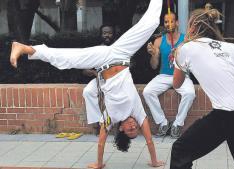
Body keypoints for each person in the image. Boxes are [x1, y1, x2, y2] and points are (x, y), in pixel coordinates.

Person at [9, 0, 164, 168]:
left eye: (130, 129)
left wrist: (99, 164)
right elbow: (149, 140)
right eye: (136, 129)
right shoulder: (138, 113)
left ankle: (24, 48)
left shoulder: (110, 118)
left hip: (103, 60)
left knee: (67, 59)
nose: (134, 126)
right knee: (152, 23)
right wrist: (154, 162)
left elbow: (101, 143)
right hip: (121, 54)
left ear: (121, 129)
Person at [170, 8, 234, 169]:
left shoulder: (184, 49)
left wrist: (177, 62)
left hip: (225, 117)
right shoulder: (230, 47)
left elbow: (177, 84)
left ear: (193, 27)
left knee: (180, 149)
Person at [143, 12, 195, 139]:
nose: (169, 24)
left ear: (177, 22)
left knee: (190, 93)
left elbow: (192, 61)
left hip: (182, 75)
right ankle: (163, 122)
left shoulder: (186, 39)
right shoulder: (158, 41)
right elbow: (154, 66)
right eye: (166, 21)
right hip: (164, 76)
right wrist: (154, 54)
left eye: (172, 21)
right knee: (147, 92)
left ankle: (177, 124)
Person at [82, 24, 116, 136]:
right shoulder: (96, 50)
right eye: (104, 33)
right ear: (101, 35)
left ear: (113, 34)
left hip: (116, 80)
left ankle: (120, 124)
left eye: (109, 33)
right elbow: (84, 69)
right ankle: (98, 123)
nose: (107, 35)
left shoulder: (118, 48)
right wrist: (93, 73)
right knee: (88, 91)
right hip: (100, 79)